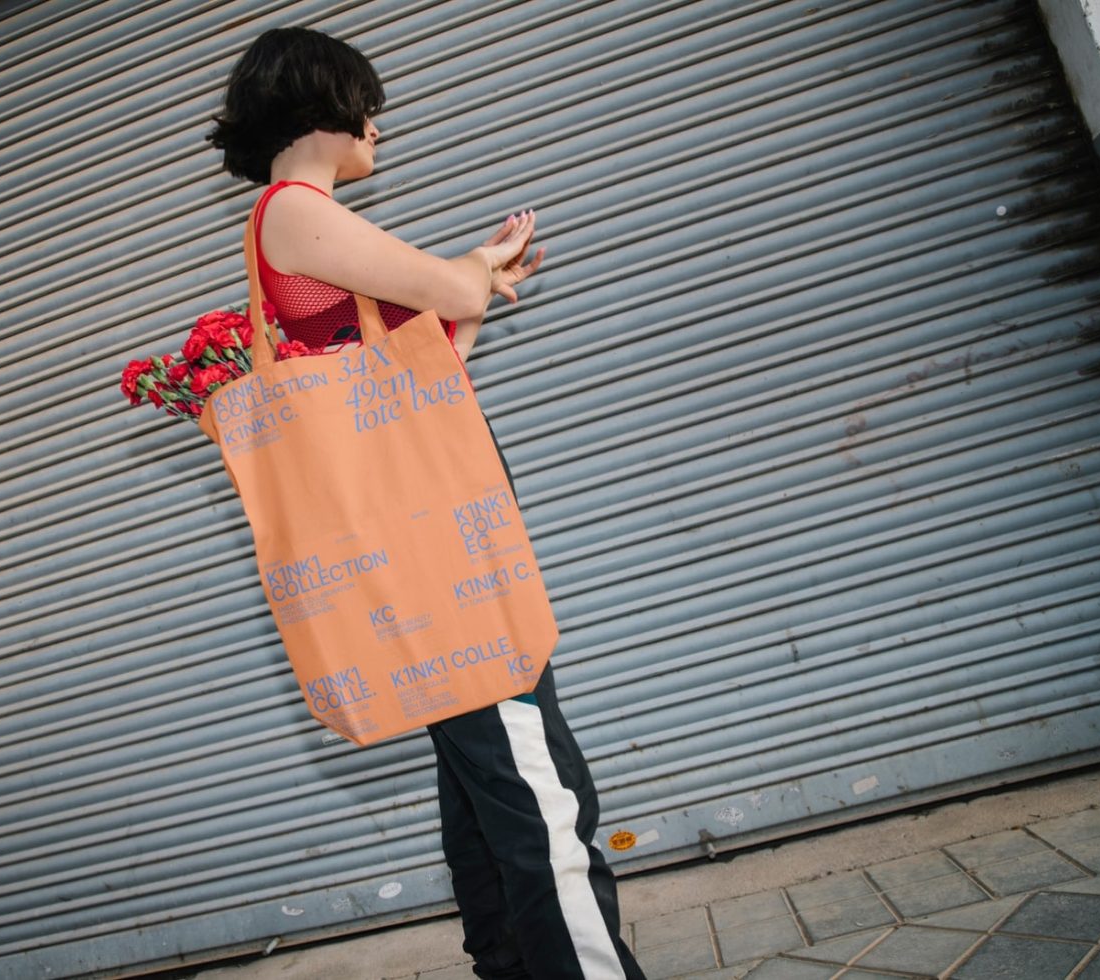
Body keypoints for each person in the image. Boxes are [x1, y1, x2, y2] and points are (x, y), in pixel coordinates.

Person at [207, 26, 648, 980]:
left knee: (485, 791)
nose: (377, 128)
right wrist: (473, 274)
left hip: (423, 537)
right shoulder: (295, 209)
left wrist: (472, 286)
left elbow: (422, 375)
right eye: (367, 107)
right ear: (324, 106)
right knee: (541, 794)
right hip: (436, 559)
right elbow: (449, 291)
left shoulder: (301, 227)